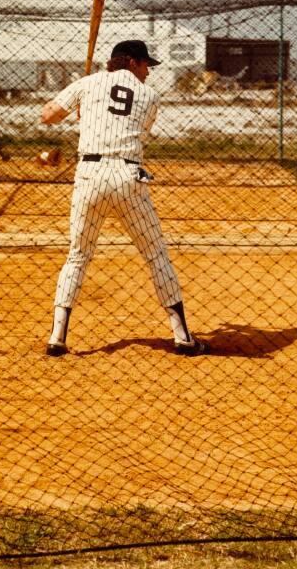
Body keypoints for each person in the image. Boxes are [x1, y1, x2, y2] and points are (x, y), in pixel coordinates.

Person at [40, 39, 210, 358]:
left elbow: (47, 116)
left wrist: (81, 108)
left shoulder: (87, 82)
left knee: (78, 255)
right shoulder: (149, 96)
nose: (148, 72)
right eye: (146, 64)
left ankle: (57, 336)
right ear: (131, 62)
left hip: (89, 175)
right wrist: (88, 110)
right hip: (127, 176)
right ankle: (183, 336)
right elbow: (133, 127)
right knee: (156, 254)